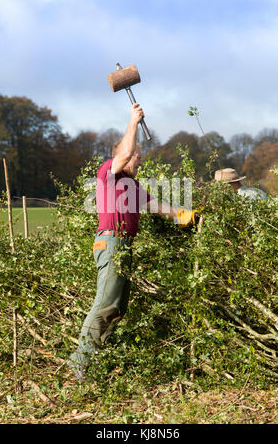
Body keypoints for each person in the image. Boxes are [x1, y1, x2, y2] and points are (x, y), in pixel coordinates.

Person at [68, 103, 196, 382]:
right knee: (104, 304)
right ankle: (80, 366)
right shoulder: (109, 173)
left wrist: (189, 216)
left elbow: (157, 206)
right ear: (122, 158)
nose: (139, 161)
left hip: (123, 244)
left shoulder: (133, 186)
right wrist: (133, 120)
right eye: (137, 157)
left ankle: (98, 362)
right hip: (110, 242)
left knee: (117, 308)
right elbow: (125, 151)